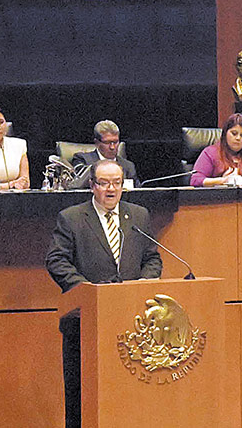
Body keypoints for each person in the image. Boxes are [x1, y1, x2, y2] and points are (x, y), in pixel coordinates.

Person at [45, 159, 162, 428]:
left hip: (131, 323)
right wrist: (88, 292)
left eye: (117, 183)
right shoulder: (72, 218)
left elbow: (152, 258)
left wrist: (144, 283)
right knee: (82, 398)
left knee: (128, 397)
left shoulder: (139, 216)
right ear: (92, 186)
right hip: (84, 321)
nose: (111, 189)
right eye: (105, 183)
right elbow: (56, 260)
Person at [69, 119, 139, 186]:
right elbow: (77, 186)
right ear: (97, 143)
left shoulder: (128, 166)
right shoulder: (83, 160)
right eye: (107, 142)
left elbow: (139, 194)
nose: (112, 147)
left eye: (115, 142)